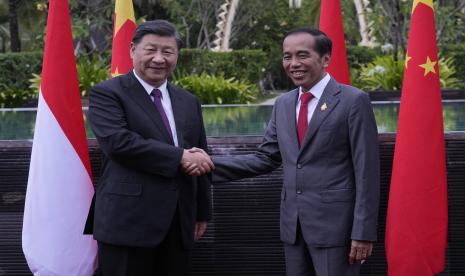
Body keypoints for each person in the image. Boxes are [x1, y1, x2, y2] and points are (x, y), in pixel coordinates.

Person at [209, 27, 380, 276]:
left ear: (325, 59)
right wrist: (207, 165)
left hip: (336, 229)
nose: (293, 64)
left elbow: (367, 171)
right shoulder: (284, 103)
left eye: (302, 55)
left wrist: (362, 232)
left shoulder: (353, 101)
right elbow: (265, 158)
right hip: (294, 227)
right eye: (287, 56)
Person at [87, 19, 214, 276]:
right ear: (133, 50)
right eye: (151, 50)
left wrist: (201, 212)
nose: (159, 58)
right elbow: (118, 143)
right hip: (127, 221)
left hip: (179, 221)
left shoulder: (189, 101)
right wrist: (178, 157)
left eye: (167, 52)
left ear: (177, 55)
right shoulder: (107, 93)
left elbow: (199, 153)